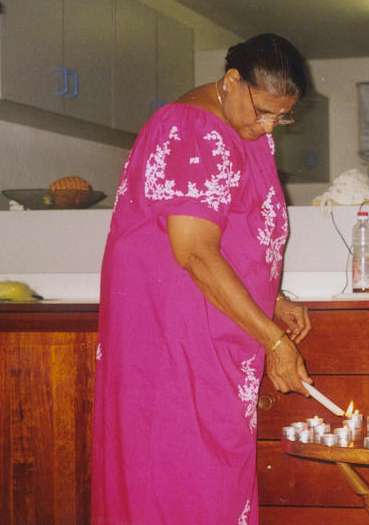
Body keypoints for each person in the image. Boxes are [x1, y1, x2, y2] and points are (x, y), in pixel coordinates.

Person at [92, 34, 313, 524]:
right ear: (231, 81)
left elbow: (235, 234)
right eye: (263, 112)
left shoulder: (244, 130)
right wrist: (275, 341)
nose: (268, 126)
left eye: (281, 117)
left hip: (211, 336)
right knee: (183, 476)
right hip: (177, 343)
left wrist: (272, 297)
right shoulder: (192, 130)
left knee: (212, 477)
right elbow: (193, 251)